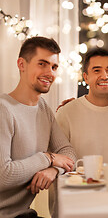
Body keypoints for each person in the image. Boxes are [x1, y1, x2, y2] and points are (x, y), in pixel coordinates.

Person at [0, 36, 76, 218]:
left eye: (54, 67)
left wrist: (53, 169)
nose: (49, 72)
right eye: (42, 64)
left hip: (23, 214)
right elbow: (3, 175)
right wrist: (47, 158)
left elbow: (68, 154)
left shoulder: (43, 109)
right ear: (21, 64)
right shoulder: (3, 110)